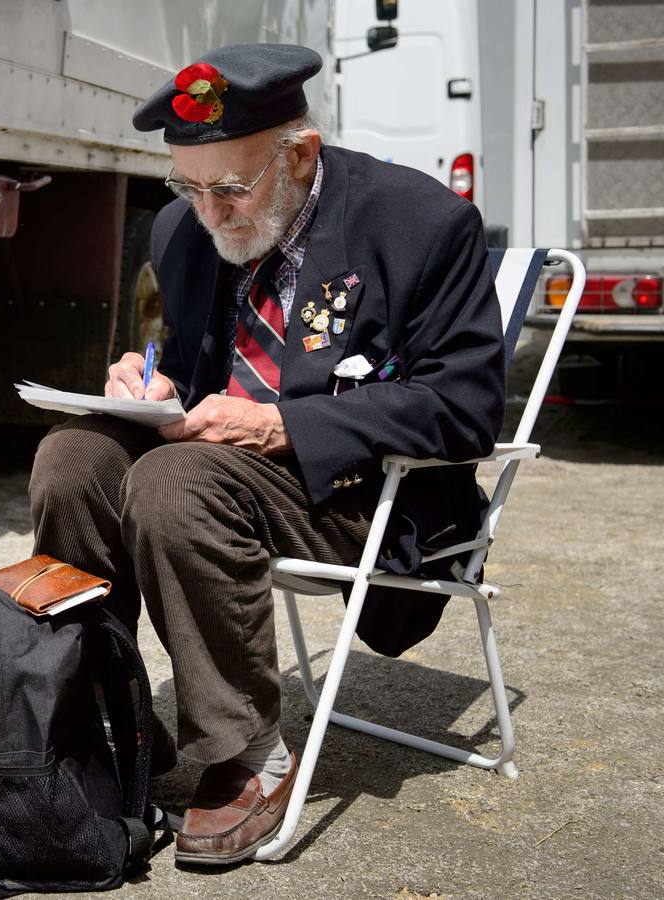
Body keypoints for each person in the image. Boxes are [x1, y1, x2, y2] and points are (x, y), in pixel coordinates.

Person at [27, 43, 505, 866]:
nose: (207, 213)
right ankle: (98, 722)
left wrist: (280, 424)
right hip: (226, 469)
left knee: (176, 480)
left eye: (229, 189)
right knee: (72, 459)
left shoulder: (417, 221)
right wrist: (148, 385)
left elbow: (463, 408)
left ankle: (243, 756)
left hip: (363, 491)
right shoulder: (183, 230)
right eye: (188, 187)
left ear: (300, 154)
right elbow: (195, 360)